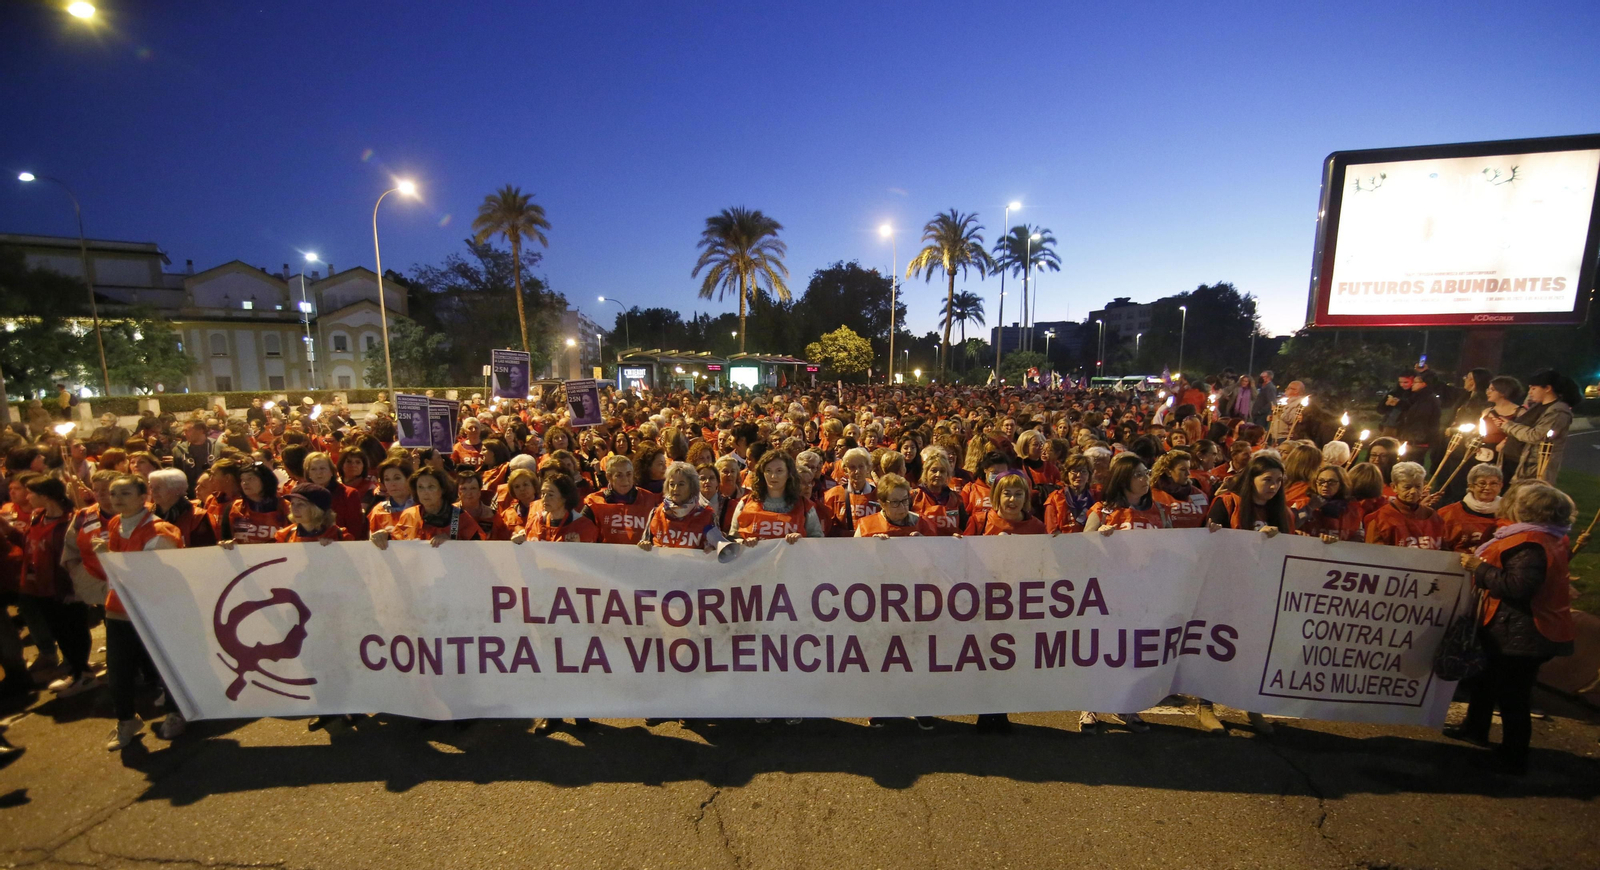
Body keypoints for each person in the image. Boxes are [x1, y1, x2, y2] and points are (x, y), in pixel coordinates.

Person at [1448, 483, 1575, 775]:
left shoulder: (1530, 543)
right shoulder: (1547, 537)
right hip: (1515, 627)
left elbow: (1518, 586)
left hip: (1523, 631)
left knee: (1512, 695)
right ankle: (1475, 729)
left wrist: (1479, 568)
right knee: (1487, 680)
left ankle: (1513, 754)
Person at [93, 475, 184, 750]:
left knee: (166, 666)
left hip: (154, 610)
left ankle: (176, 712)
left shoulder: (161, 532)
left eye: (125, 493)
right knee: (119, 671)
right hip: (119, 609)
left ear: (143, 497)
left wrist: (108, 558)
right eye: (113, 493)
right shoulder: (114, 523)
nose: (117, 498)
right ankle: (126, 719)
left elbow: (151, 577)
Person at [20, 477, 94, 698]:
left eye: (31, 492)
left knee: (73, 630)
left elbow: (77, 556)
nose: (27, 497)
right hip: (41, 587)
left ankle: (84, 674)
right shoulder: (37, 518)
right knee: (58, 631)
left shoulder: (70, 521)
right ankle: (75, 671)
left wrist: (73, 589)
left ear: (45, 495)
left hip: (65, 588)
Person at [1492, 369, 1577, 484]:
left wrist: (1508, 426)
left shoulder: (1558, 412)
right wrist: (1505, 426)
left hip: (1531, 468)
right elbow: (1522, 428)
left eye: (1533, 388)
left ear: (1547, 388)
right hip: (1513, 461)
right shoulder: (1538, 406)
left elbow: (1536, 435)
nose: (1530, 392)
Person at [374, 468, 487, 547]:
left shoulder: (460, 518)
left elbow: (479, 553)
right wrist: (384, 535)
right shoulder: (409, 514)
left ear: (442, 489)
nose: (425, 492)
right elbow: (397, 543)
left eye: (431, 487)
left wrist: (453, 544)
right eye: (420, 487)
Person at [731, 449, 824, 544]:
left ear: (789, 474)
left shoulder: (805, 507)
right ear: (762, 474)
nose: (773, 476)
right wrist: (744, 542)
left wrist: (802, 540)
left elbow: (818, 542)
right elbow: (732, 540)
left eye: (779, 471)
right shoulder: (745, 503)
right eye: (768, 471)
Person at [639, 461, 727, 552]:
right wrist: (644, 545)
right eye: (672, 484)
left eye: (681, 484)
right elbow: (645, 543)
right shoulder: (656, 513)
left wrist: (712, 549)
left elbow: (718, 549)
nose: (675, 489)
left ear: (692, 487)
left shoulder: (707, 516)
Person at [1364, 461, 1443, 550]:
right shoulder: (1379, 519)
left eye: (1418, 486)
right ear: (1394, 487)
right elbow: (1374, 554)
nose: (1413, 491)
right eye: (1407, 487)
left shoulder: (1433, 517)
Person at [584, 455, 661, 544]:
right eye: (619, 475)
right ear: (609, 477)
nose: (625, 480)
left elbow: (660, 531)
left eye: (628, 474)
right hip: (605, 555)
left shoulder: (649, 500)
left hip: (640, 555)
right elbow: (580, 530)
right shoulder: (594, 502)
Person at [1084, 454, 1171, 532]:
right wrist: (1098, 536)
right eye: (1138, 475)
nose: (1146, 478)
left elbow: (1172, 545)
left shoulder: (1161, 511)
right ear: (1122, 480)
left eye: (1146, 473)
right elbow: (1085, 546)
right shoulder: (1101, 512)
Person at [514, 473, 598, 543]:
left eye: (550, 494)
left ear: (565, 497)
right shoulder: (535, 522)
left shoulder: (583, 526)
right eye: (543, 493)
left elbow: (589, 558)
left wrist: (578, 547)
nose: (545, 499)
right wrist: (519, 542)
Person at [1438, 464, 1503, 552]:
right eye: (1482, 483)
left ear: (1500, 486)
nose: (1488, 487)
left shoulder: (1510, 514)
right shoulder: (1447, 514)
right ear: (1471, 486)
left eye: (1493, 483)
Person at [304, 451, 367, 540]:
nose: (318, 473)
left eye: (322, 468)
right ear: (308, 474)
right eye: (313, 469)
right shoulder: (303, 496)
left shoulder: (349, 494)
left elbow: (354, 531)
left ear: (332, 471)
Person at [224, 462, 291, 544]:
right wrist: (226, 543)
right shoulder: (233, 507)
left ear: (265, 481)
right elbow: (225, 538)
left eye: (250, 478)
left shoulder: (286, 507)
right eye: (242, 479)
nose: (245, 483)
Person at [822, 447, 880, 537]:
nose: (857, 472)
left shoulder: (879, 494)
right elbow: (826, 527)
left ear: (868, 468)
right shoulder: (833, 495)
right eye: (852, 467)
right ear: (845, 470)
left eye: (861, 466)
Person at [855, 473, 936, 537]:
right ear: (882, 504)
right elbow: (854, 555)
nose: (902, 507)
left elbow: (936, 554)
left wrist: (925, 544)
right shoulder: (866, 527)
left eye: (904, 500)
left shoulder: (923, 524)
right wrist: (872, 545)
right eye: (895, 502)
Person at [1298, 465, 1364, 542]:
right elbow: (1288, 528)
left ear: (1341, 485)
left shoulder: (1352, 509)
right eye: (1321, 481)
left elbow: (1359, 535)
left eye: (1331, 482)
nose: (1325, 485)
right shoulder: (1302, 505)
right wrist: (1297, 533)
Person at [913, 448, 966, 536]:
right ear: (926, 472)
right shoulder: (914, 496)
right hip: (920, 547)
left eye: (942, 471)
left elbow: (965, 528)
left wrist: (960, 536)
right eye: (934, 470)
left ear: (947, 474)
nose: (938, 475)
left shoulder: (956, 499)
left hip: (949, 547)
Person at [1149, 450, 1208, 529]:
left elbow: (1206, 522)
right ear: (1168, 472)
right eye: (1183, 469)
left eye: (1188, 469)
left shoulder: (1199, 494)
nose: (1188, 473)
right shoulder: (1152, 495)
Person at [273, 484, 349, 544]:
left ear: (317, 509)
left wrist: (336, 547)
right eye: (292, 504)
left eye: (301, 504)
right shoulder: (286, 535)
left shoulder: (340, 535)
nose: (294, 509)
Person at [1044, 454, 1095, 534]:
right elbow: (1051, 530)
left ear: (1089, 475)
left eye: (1083, 471)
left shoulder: (1096, 497)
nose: (1079, 475)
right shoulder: (1055, 498)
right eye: (1074, 471)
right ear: (1067, 474)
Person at [367, 457, 415, 537]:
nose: (392, 484)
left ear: (409, 479)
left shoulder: (422, 507)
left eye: (397, 478)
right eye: (387, 479)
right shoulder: (378, 511)